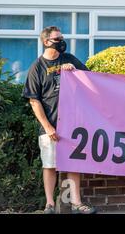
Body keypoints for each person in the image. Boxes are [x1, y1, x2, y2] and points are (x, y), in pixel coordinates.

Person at [22, 26, 97, 214]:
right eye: (57, 38)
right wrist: (47, 127)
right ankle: (49, 204)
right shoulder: (36, 68)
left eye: (62, 38)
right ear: (47, 42)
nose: (61, 41)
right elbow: (34, 100)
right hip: (50, 127)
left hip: (73, 124)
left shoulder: (69, 59)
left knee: (73, 164)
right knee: (49, 165)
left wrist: (73, 73)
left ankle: (76, 204)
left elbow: (90, 81)